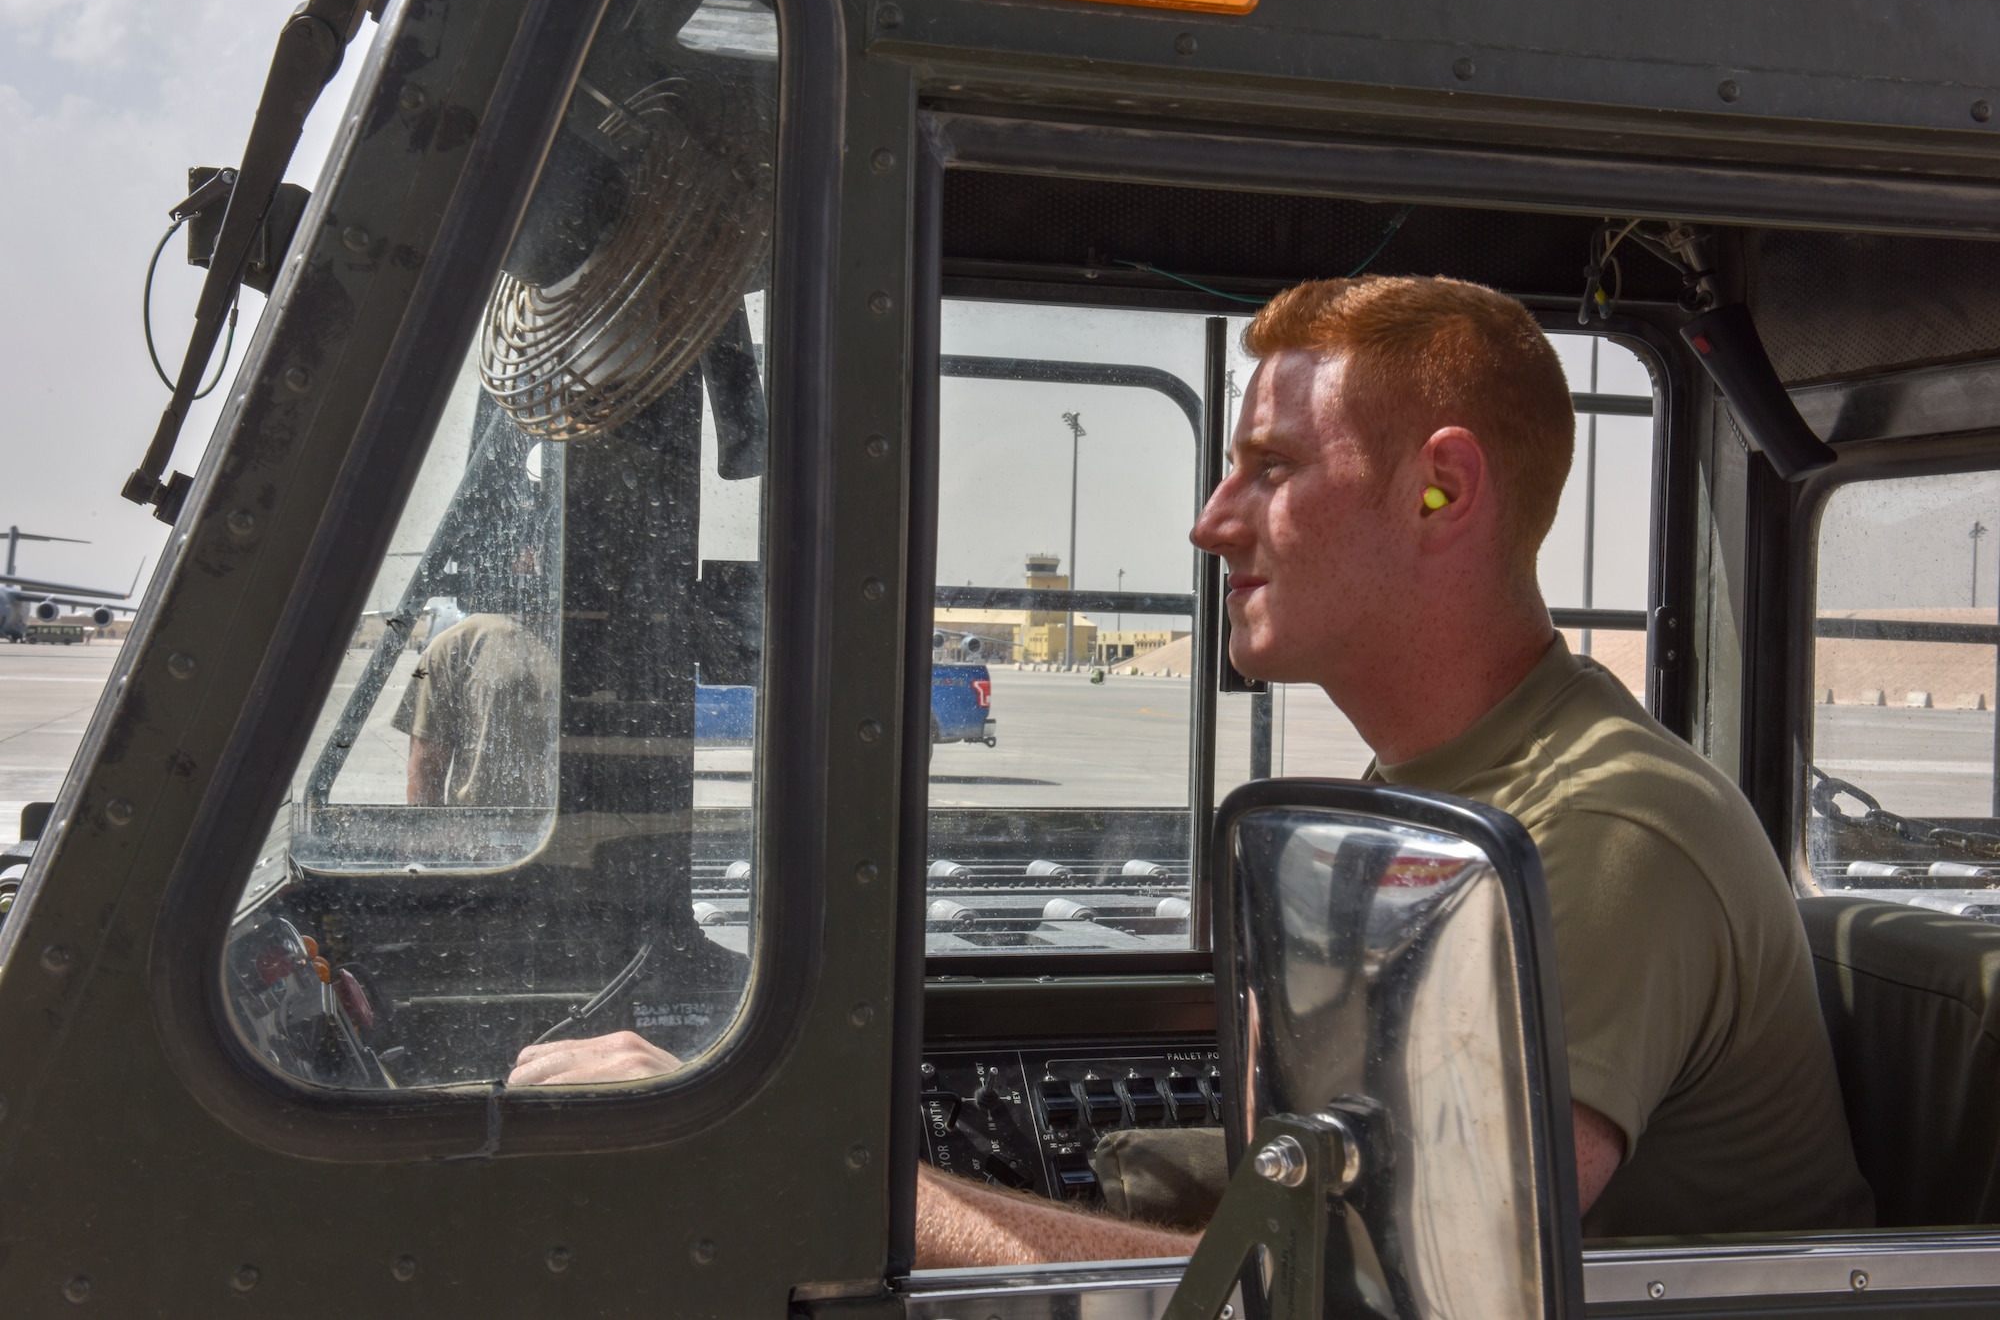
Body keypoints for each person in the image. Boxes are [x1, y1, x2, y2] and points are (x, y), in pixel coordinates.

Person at [510, 274, 1875, 1257]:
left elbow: (1358, 1293)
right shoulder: (1447, 791)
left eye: (1269, 466)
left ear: (1444, 489)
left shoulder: (1598, 831)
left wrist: (799, 1170)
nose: (1211, 520)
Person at [394, 610, 559, 806]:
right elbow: (426, 769)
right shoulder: (457, 643)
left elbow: (426, 770)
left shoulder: (457, 641)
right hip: (484, 826)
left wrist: (434, 832)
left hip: (479, 824)